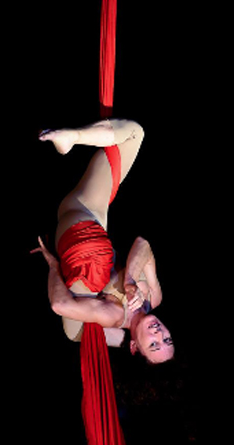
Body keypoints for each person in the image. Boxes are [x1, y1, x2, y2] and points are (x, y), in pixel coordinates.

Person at [31, 118, 176, 363]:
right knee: (134, 134)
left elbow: (60, 306)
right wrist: (130, 281)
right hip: (94, 215)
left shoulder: (115, 315)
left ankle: (71, 138)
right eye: (167, 339)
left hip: (82, 238)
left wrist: (53, 265)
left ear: (134, 346)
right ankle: (71, 137)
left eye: (153, 344)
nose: (158, 334)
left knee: (75, 329)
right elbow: (143, 245)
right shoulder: (155, 297)